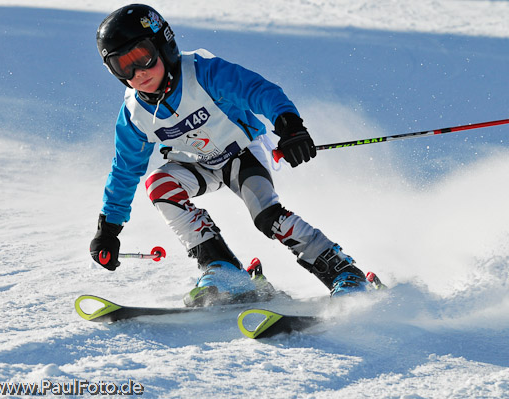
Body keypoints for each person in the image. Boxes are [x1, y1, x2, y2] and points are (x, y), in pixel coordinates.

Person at [89, 4, 371, 307]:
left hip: (241, 154)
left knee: (266, 216)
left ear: (163, 45)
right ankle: (221, 267)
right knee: (160, 185)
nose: (138, 73)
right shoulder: (134, 115)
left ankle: (342, 270)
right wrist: (109, 229)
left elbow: (258, 91)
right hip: (198, 163)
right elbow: (125, 170)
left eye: (142, 58)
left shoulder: (202, 73)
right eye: (123, 66)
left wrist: (289, 126)